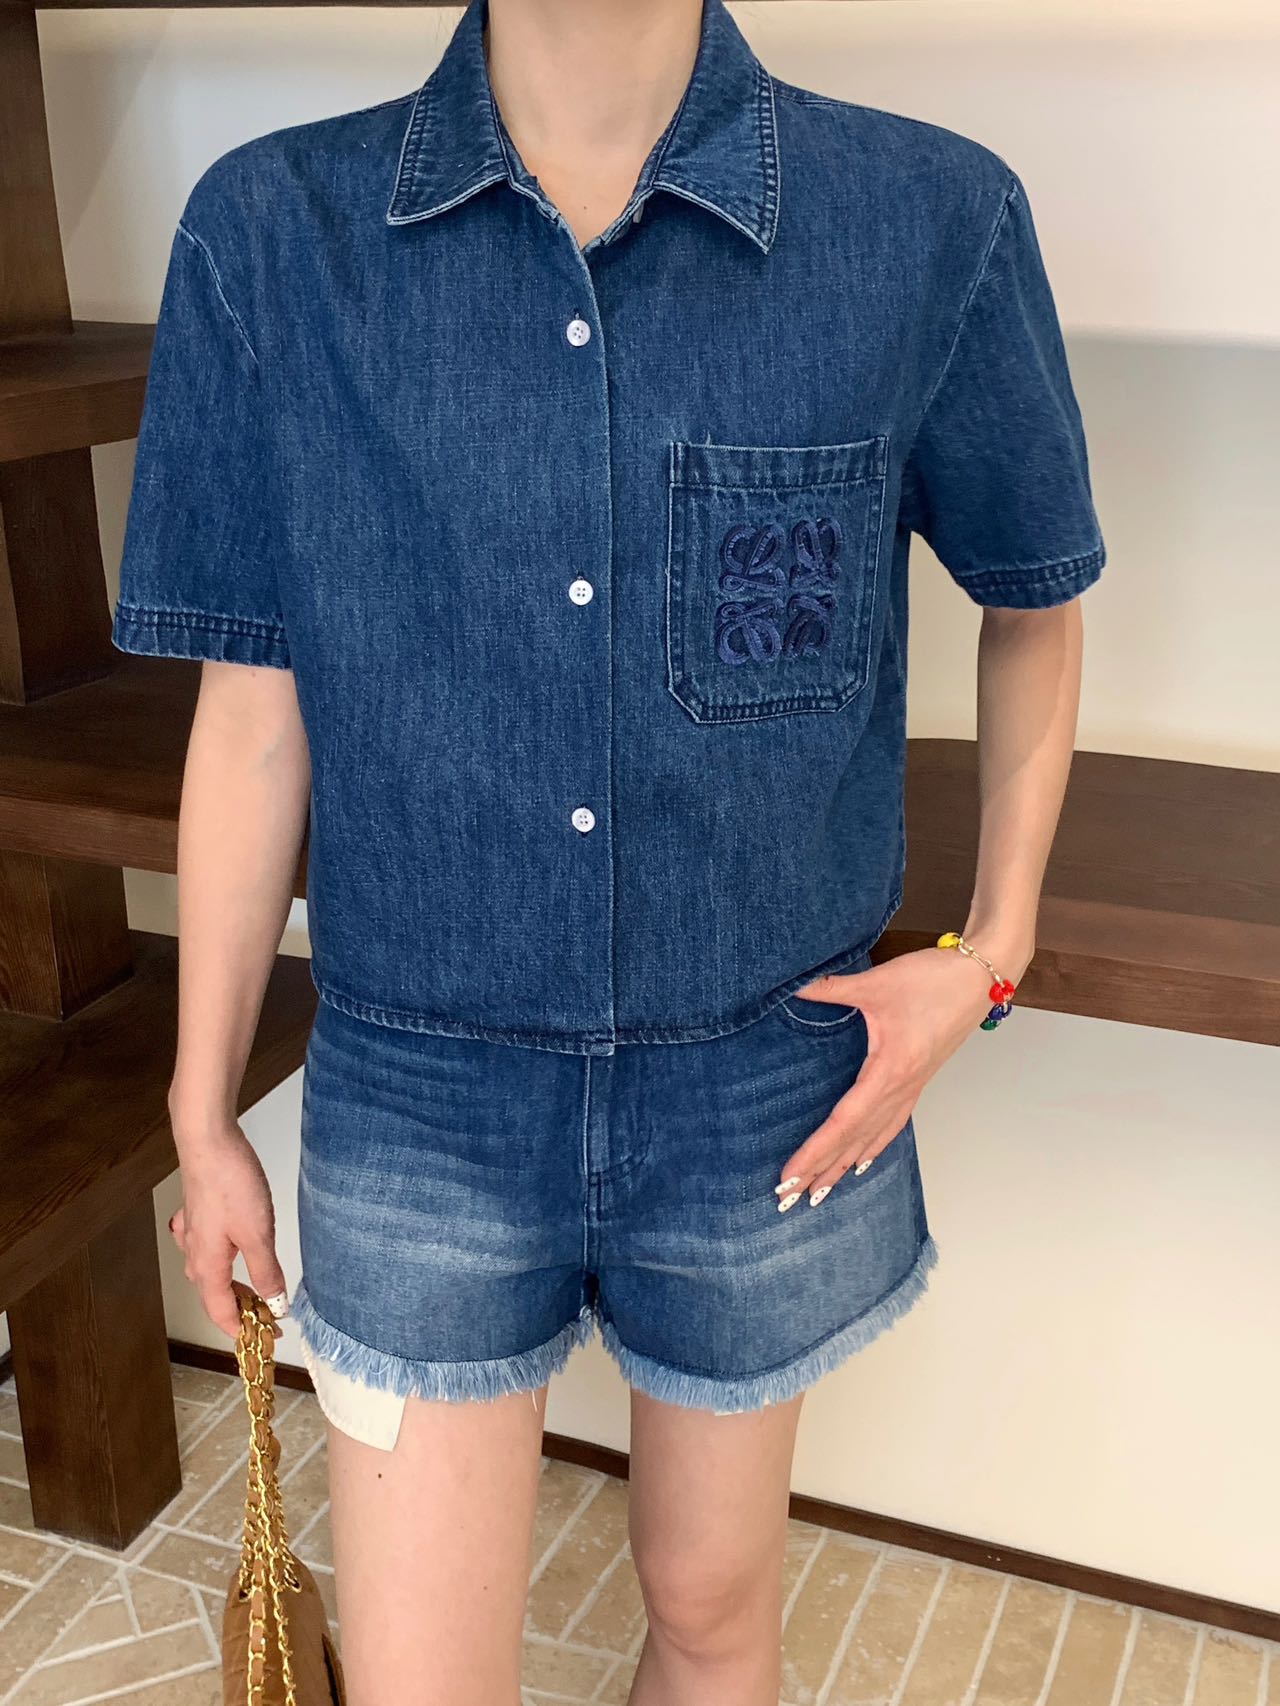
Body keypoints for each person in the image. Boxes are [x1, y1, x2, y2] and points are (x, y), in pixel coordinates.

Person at [111, 0, 1106, 1700]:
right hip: (419, 1090)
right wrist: (203, 1111)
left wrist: (988, 953)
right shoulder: (275, 235)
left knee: (715, 1617)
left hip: (766, 1092)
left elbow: (1036, 595)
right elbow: (253, 718)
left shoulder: (927, 219)